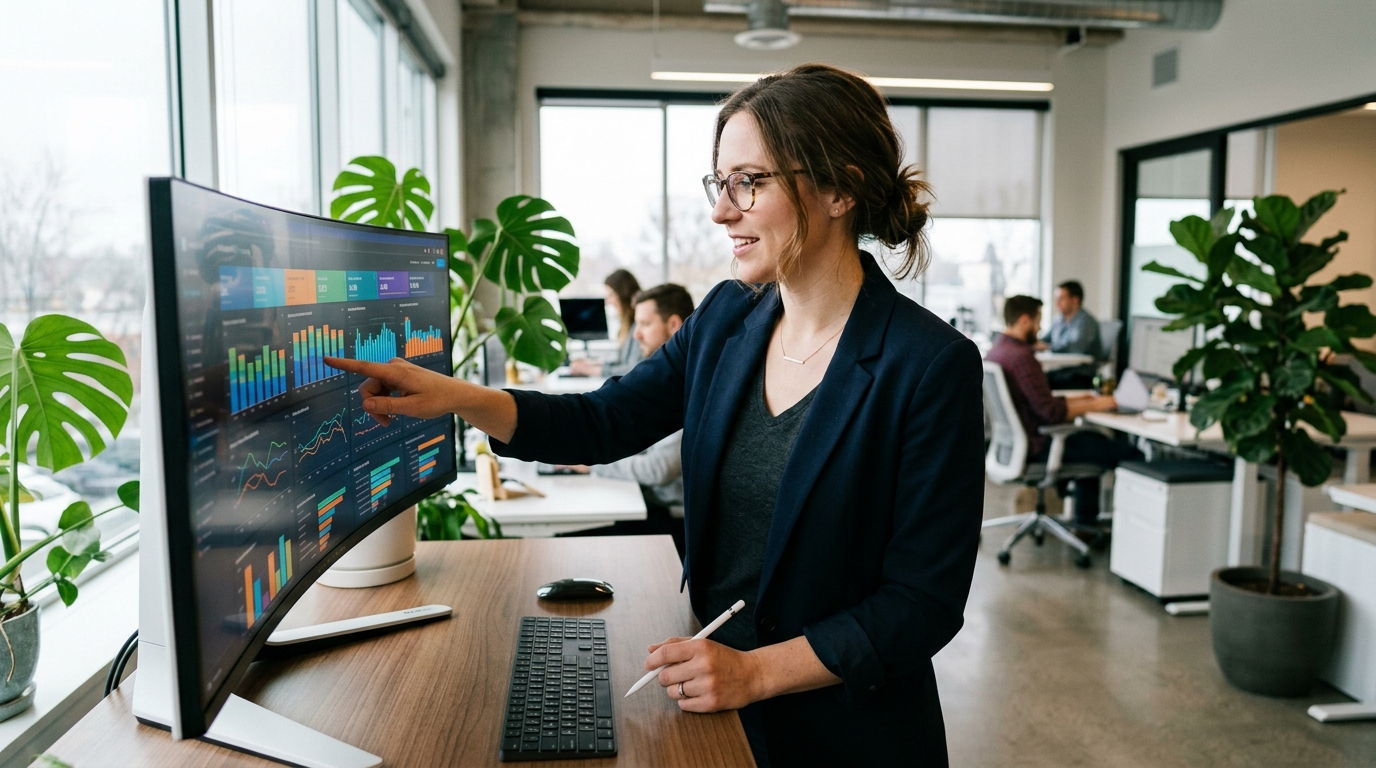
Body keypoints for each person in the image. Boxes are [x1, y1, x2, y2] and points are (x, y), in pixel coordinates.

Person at [327, 63, 984, 767]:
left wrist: (756, 671)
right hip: (711, 696)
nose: (721, 211)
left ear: (839, 189)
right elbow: (607, 420)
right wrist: (456, 397)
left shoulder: (928, 365)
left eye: (749, 183)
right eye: (720, 183)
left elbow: (922, 603)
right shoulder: (729, 318)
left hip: (842, 730)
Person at [560, 283, 695, 555]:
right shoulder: (664, 381)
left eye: (645, 323)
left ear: (674, 325)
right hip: (651, 503)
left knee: (567, 538)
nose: (636, 335)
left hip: (670, 520)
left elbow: (657, 469)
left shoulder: (689, 385)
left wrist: (593, 464)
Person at [988, 295, 1140, 527]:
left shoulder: (998, 351)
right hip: (1039, 446)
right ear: (1025, 320)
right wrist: (1103, 403)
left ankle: (1085, 523)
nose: (1040, 328)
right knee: (1126, 452)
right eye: (1038, 321)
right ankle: (1106, 528)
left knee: (1090, 439)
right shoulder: (1023, 358)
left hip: (1017, 445)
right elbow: (1051, 412)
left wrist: (1084, 399)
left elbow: (1040, 401)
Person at [569, 269, 644, 377]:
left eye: (611, 295)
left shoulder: (638, 327)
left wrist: (590, 370)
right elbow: (622, 363)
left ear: (623, 295)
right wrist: (592, 365)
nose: (607, 301)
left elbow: (631, 369)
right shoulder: (629, 325)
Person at [1038, 280, 1102, 389]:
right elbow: (1045, 340)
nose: (1056, 303)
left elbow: (1076, 346)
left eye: (1061, 299)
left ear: (1075, 300)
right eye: (1056, 299)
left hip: (1080, 375)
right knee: (1035, 380)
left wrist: (1048, 347)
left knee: (1040, 385)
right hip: (1061, 371)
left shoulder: (1086, 322)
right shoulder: (1059, 320)